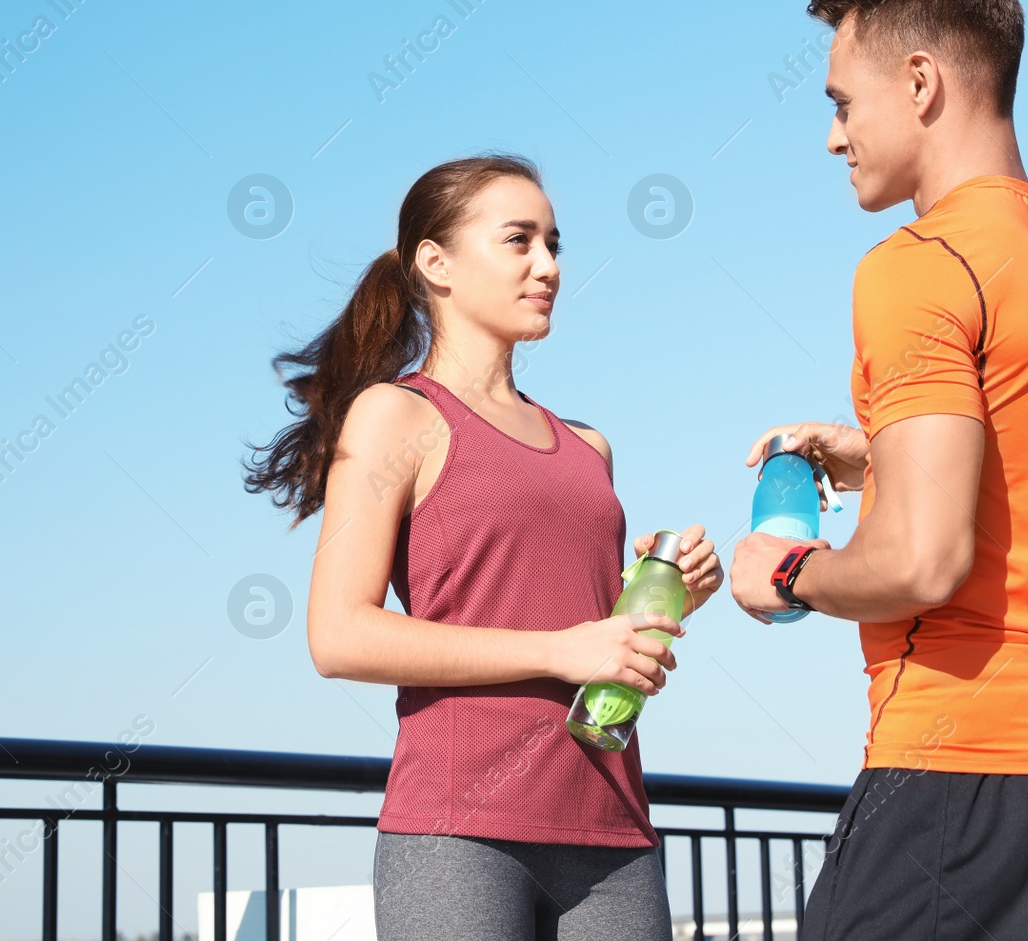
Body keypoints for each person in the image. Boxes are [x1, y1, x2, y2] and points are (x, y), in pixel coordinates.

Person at [727, 0, 1028, 939]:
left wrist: (786, 568)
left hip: (956, 776)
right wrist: (879, 456)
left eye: (840, 102)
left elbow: (923, 559)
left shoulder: (914, 264)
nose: (834, 138)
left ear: (919, 83)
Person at [243, 153, 725, 941]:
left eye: (555, 243)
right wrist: (565, 649)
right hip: (459, 832)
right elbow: (338, 635)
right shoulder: (394, 417)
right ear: (436, 263)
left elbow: (585, 632)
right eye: (519, 241)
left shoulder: (588, 445)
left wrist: (666, 592)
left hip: (613, 829)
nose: (549, 266)